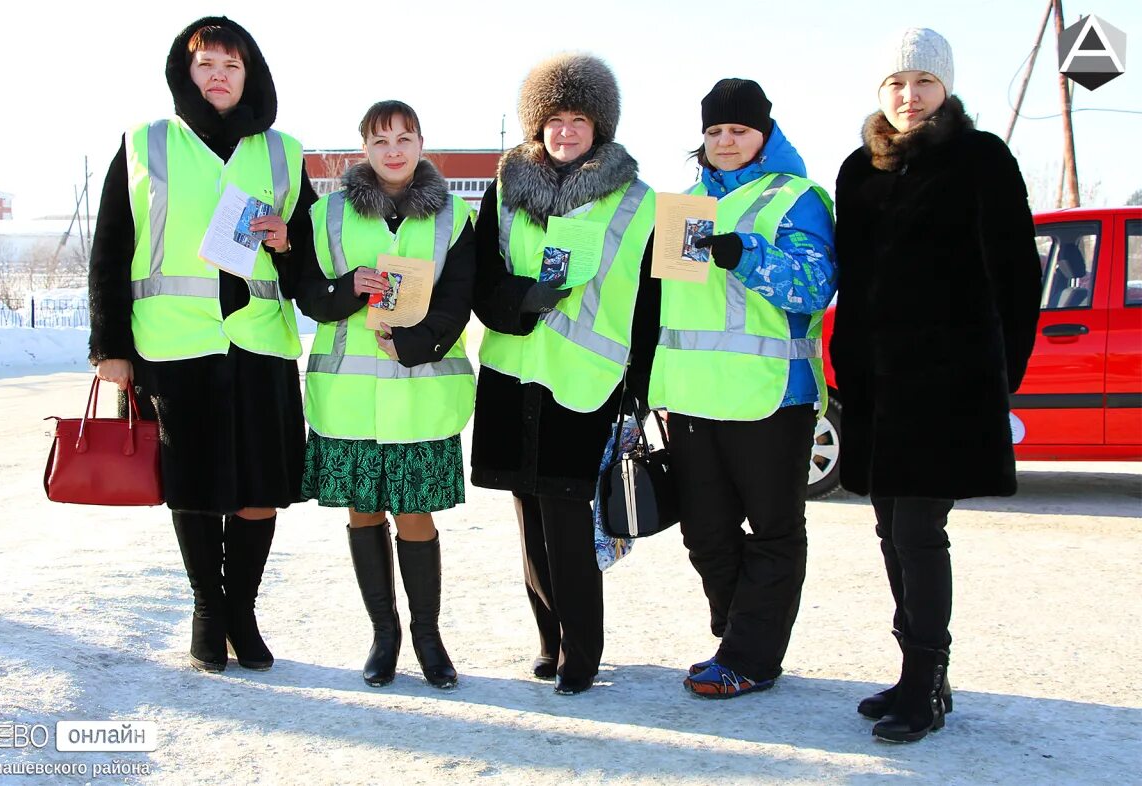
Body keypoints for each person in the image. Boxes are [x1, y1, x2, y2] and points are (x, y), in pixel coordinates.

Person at [87, 17, 317, 673]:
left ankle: (242, 609)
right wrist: (110, 346)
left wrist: (287, 240)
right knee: (193, 484)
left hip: (259, 344)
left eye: (231, 65)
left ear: (252, 76)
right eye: (206, 64)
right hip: (175, 345)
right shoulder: (145, 144)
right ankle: (208, 612)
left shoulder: (283, 152)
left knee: (261, 486)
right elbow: (109, 250)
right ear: (185, 73)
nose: (218, 75)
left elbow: (303, 270)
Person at [831, 28, 1042, 741]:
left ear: (945, 88)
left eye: (923, 82)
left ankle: (926, 685)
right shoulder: (857, 169)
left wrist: (996, 377)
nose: (909, 96)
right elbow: (855, 285)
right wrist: (847, 363)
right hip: (875, 390)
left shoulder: (981, 160)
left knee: (920, 532)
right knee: (891, 531)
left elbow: (1018, 277)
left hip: (948, 390)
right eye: (896, 84)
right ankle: (915, 673)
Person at [471, 53, 657, 696]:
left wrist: (644, 384)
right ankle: (548, 639)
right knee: (528, 514)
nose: (566, 130)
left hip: (584, 378)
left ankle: (583, 651)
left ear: (599, 126)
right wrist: (524, 299)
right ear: (537, 124)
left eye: (580, 118)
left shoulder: (637, 199)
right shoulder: (506, 187)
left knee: (569, 520)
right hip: (513, 370)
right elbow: (480, 276)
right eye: (554, 118)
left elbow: (652, 296)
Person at [646, 79, 836, 699]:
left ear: (765, 134)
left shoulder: (799, 198)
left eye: (739, 130)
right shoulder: (687, 203)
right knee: (706, 531)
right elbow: (672, 307)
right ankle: (738, 636)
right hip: (693, 397)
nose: (726, 142)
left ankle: (749, 656)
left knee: (774, 529)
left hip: (770, 393)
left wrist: (743, 253)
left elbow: (814, 287)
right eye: (715, 132)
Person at [297, 101, 475, 690]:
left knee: (415, 515)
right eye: (380, 140)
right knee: (364, 511)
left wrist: (417, 344)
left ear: (421, 143)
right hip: (348, 399)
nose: (393, 150)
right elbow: (309, 297)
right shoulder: (327, 214)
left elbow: (458, 298)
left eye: (404, 137)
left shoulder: (454, 216)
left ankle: (428, 635)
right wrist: (348, 289)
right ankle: (384, 635)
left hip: (420, 395)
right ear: (364, 149)